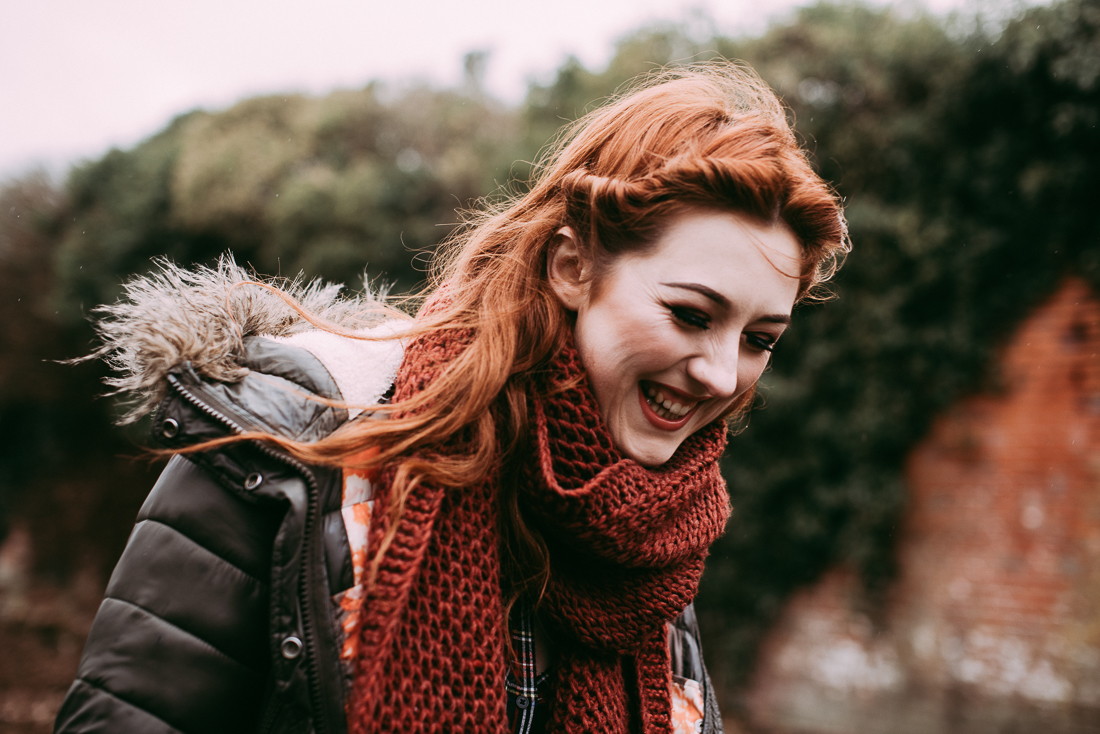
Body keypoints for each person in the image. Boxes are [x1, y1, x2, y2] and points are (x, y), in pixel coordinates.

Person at [54, 63, 848, 734]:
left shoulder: (653, 540)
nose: (719, 373)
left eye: (759, 339)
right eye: (690, 314)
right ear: (573, 267)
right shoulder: (300, 444)